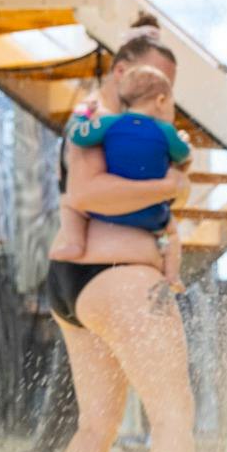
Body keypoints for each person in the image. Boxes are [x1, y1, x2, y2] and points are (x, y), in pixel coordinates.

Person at [45, 28, 227, 452]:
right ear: (121, 75)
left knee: (97, 424)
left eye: (170, 88)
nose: (164, 98)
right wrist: (167, 186)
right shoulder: (92, 117)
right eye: (155, 84)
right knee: (173, 414)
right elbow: (86, 194)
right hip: (120, 279)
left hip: (79, 284)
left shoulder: (115, 128)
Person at [56, 65, 189, 286]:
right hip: (151, 215)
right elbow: (183, 155)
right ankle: (172, 274)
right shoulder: (166, 132)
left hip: (106, 211)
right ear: (161, 101)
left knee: (69, 204)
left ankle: (74, 243)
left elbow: (77, 136)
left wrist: (83, 113)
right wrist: (182, 143)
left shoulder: (109, 123)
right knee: (171, 235)